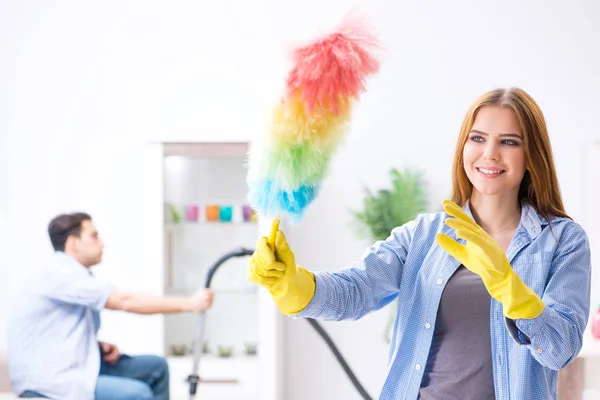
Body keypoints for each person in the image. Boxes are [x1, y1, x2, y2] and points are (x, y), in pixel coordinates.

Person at [247, 87, 592, 399]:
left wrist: (513, 292)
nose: (489, 154)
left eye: (509, 142)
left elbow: (562, 349)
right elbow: (356, 291)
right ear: (463, 148)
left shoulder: (562, 242)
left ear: (531, 155)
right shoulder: (424, 236)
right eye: (477, 138)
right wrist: (293, 285)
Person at [7, 212, 214, 400]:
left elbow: (55, 332)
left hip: (77, 367)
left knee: (156, 367)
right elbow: (125, 301)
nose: (102, 244)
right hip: (50, 382)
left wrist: (96, 346)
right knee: (138, 395)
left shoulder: (74, 275)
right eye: (94, 236)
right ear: (73, 243)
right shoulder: (60, 273)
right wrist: (190, 303)